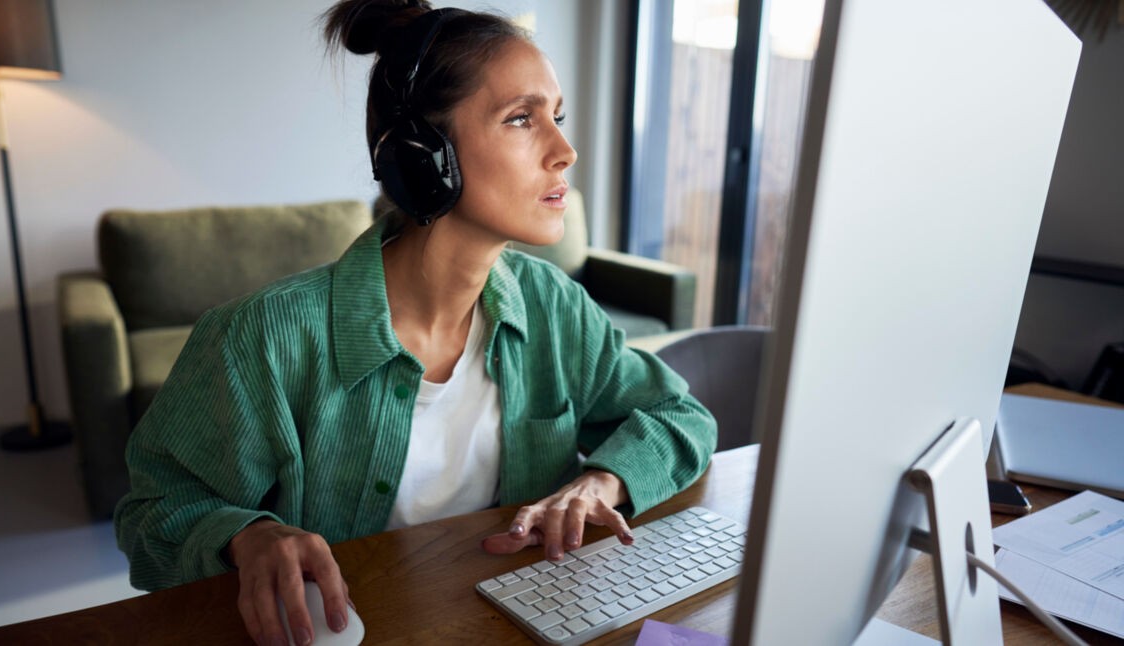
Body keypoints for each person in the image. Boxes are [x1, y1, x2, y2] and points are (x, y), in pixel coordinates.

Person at [114, 1, 717, 645]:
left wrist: (602, 480)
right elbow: (153, 516)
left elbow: (682, 418)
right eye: (521, 119)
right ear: (424, 154)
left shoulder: (552, 305)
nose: (565, 151)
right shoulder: (262, 338)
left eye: (557, 118)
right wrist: (247, 535)